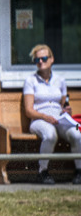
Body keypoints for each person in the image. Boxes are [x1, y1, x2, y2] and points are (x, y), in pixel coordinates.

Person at [22, 44, 81, 184]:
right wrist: (45, 117)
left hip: (58, 119)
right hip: (39, 119)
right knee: (50, 135)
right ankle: (42, 171)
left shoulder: (60, 80)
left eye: (43, 58)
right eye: (37, 60)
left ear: (51, 59)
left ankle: (79, 171)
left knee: (78, 133)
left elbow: (63, 104)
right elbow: (29, 111)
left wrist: (67, 111)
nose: (40, 62)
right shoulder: (30, 81)